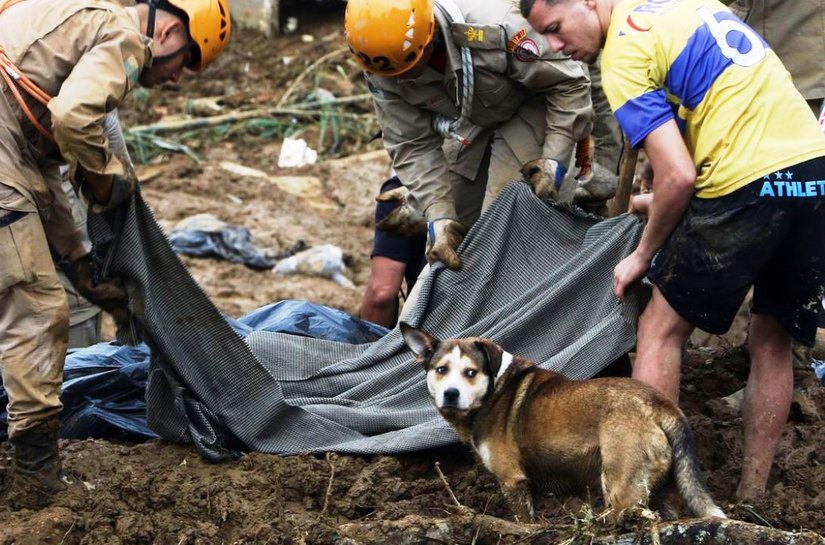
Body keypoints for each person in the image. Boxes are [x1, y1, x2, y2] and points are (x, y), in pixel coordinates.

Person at [521, 0, 825, 502]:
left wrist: (642, 253)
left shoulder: (622, 50)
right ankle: (752, 499)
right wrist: (655, 195)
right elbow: (708, 126)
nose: (556, 47)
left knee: (659, 329)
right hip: (812, 175)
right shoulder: (685, 6)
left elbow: (680, 176)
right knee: (770, 343)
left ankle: (643, 496)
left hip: (744, 182)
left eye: (555, 28)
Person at [0, 0, 230, 509]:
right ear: (171, 30)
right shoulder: (125, 34)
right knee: (37, 309)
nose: (175, 80)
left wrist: (80, 262)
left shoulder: (82, 26)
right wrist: (109, 180)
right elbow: (73, 118)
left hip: (8, 148)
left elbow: (44, 182)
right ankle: (37, 472)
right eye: (185, 63)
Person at [345, 0, 593, 271]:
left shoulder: (495, 23)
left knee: (501, 231)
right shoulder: (382, 65)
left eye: (412, 68)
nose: (405, 79)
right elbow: (411, 144)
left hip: (534, 104)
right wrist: (439, 216)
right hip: (471, 120)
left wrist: (554, 159)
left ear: (432, 36)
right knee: (453, 241)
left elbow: (569, 82)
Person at [360, 176, 428, 328]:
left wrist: (370, 348)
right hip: (488, 332)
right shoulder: (491, 194)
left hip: (431, 338)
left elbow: (382, 293)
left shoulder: (403, 192)